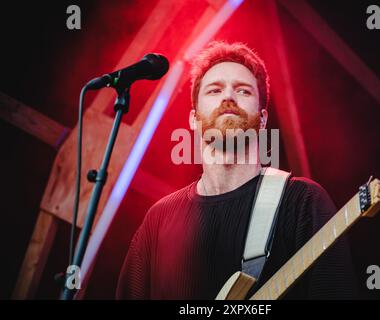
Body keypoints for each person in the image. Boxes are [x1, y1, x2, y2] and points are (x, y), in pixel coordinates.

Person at [116, 41, 356, 299]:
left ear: (263, 119)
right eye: (215, 90)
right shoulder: (159, 220)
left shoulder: (302, 202)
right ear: (194, 119)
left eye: (243, 91)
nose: (228, 97)